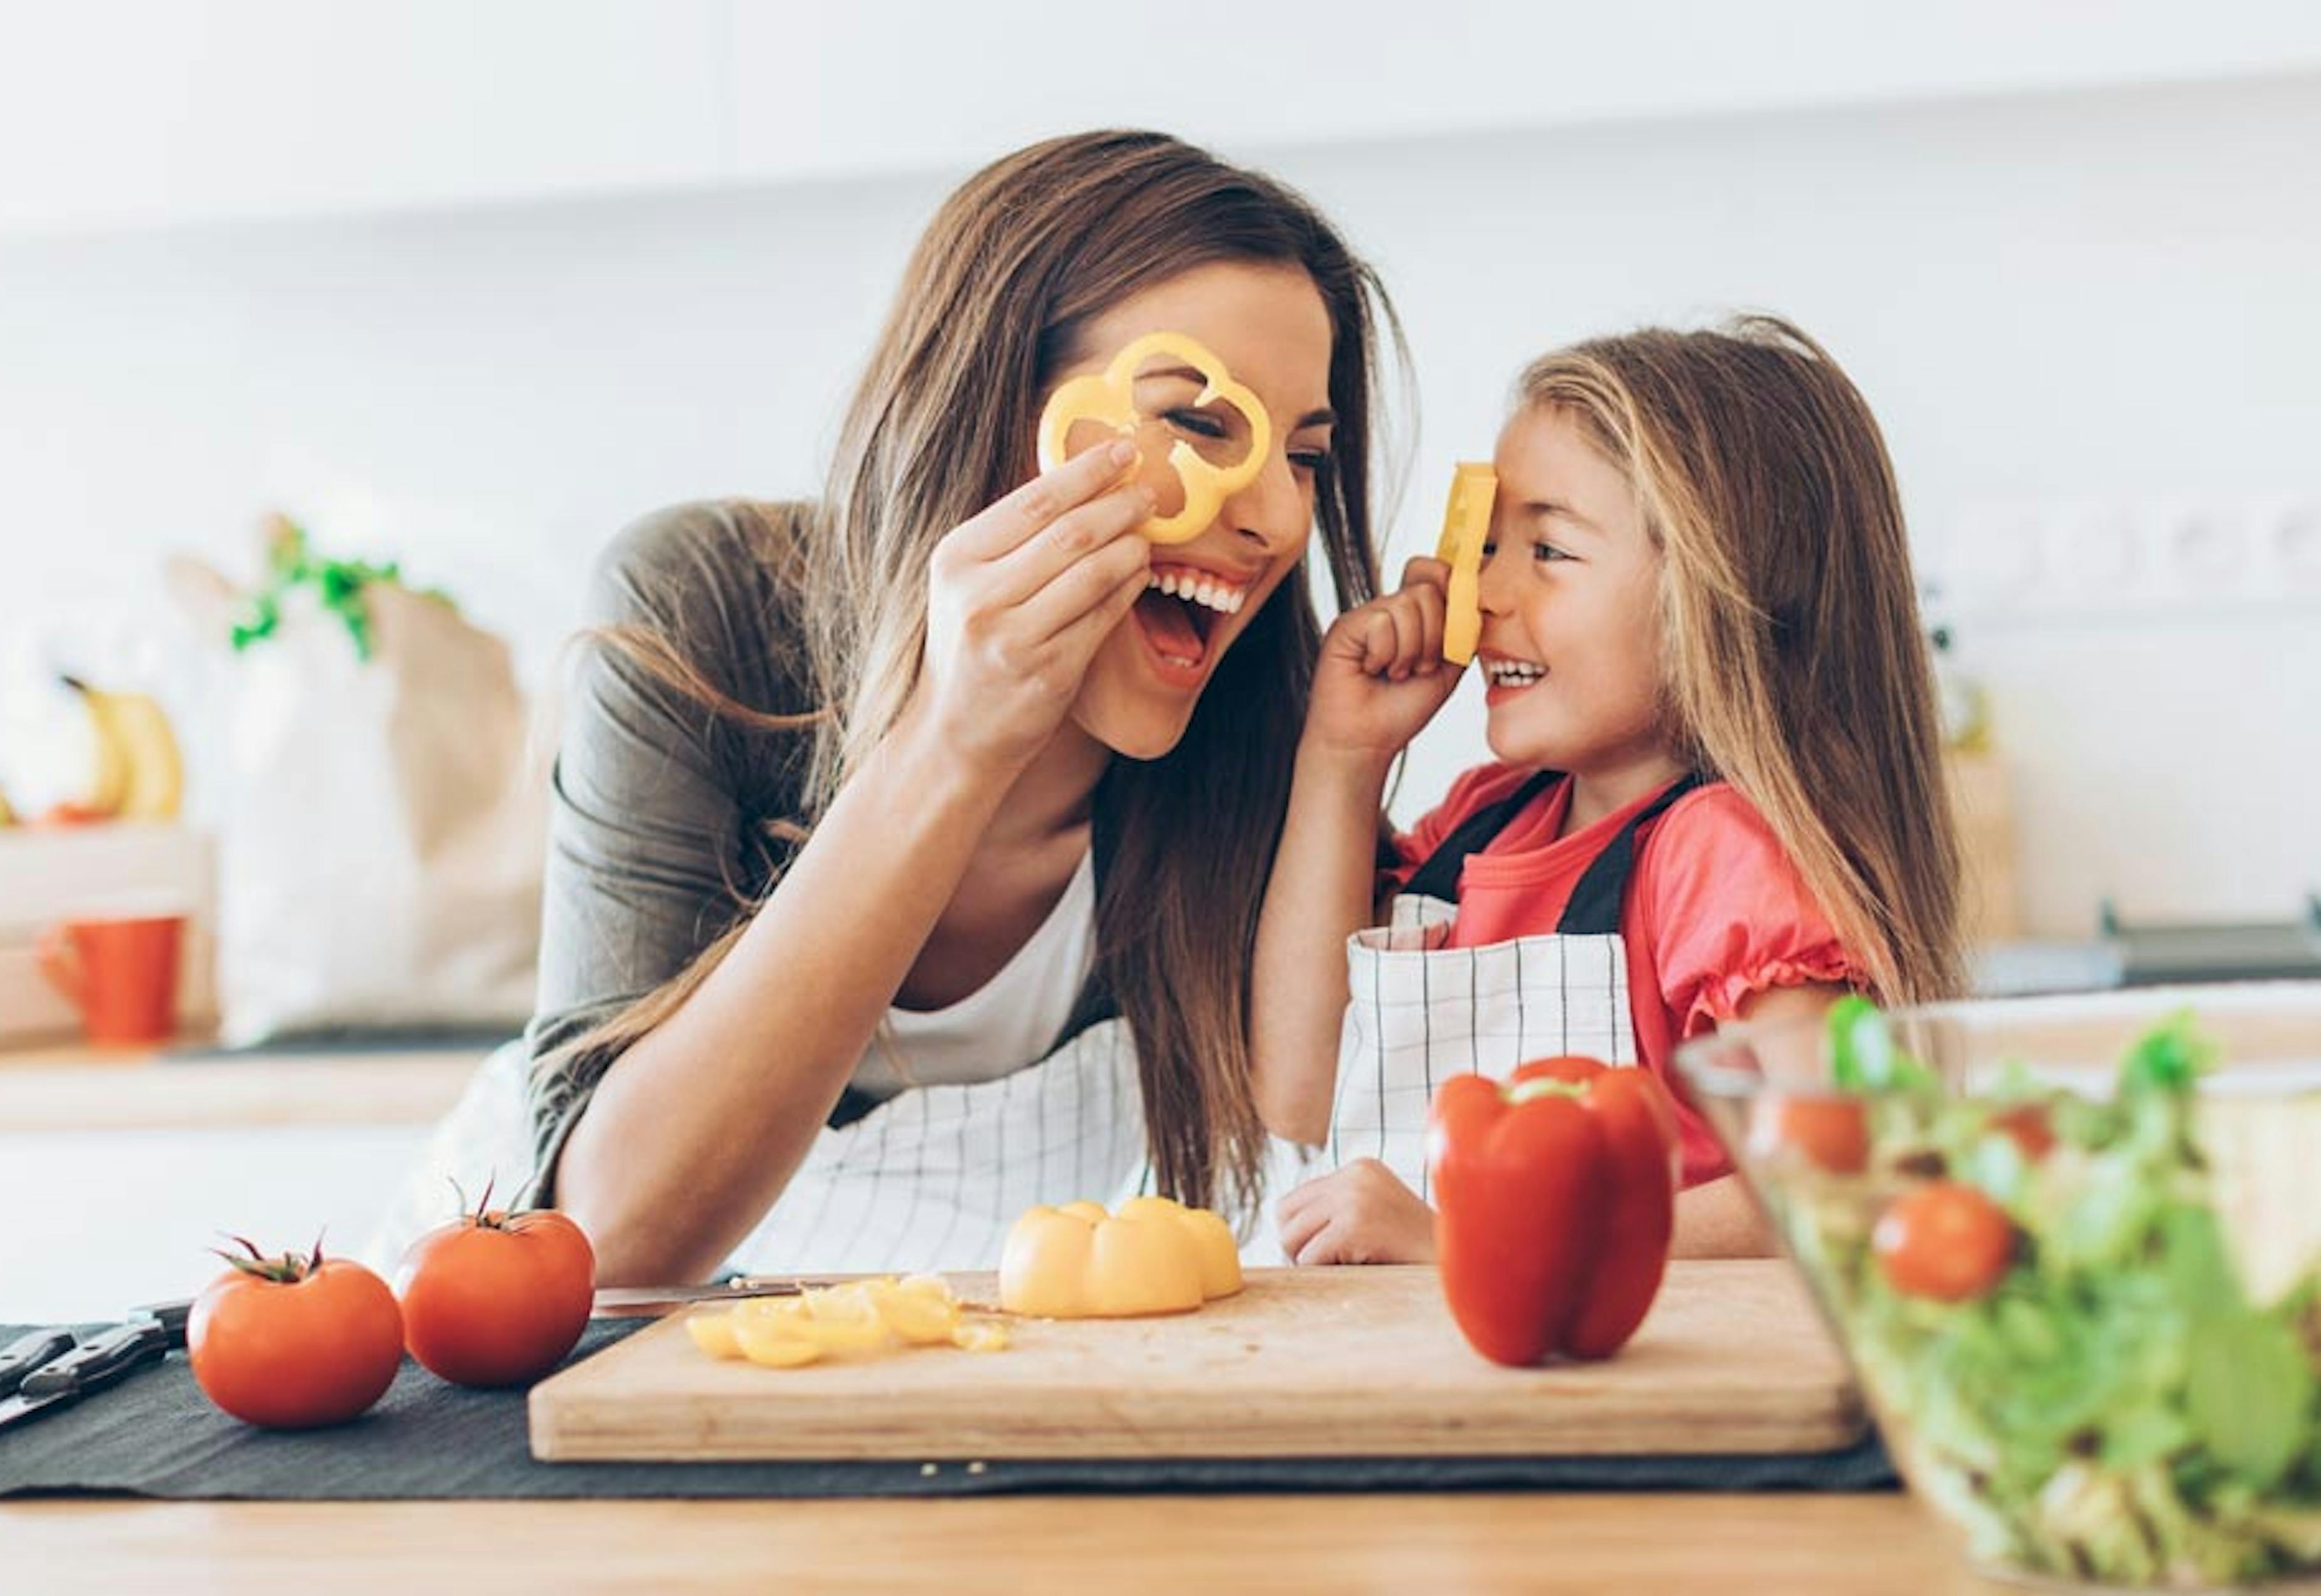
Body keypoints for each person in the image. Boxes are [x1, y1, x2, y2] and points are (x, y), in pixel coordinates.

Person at [526, 130, 1400, 1286]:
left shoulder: (1268, 733)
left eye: (1305, 455)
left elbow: (1311, 1125)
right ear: (991, 407)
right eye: (1197, 426)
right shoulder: (703, 607)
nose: (1279, 522)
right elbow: (611, 1247)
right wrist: (954, 740)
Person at [1249, 314, 1964, 1264]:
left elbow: (1844, 1178)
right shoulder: (1482, 825)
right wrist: (1342, 757)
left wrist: (1477, 1241)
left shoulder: (1721, 855)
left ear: (1713, 599)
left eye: (1547, 551)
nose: (1485, 596)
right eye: (1489, 547)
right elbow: (1301, 1093)